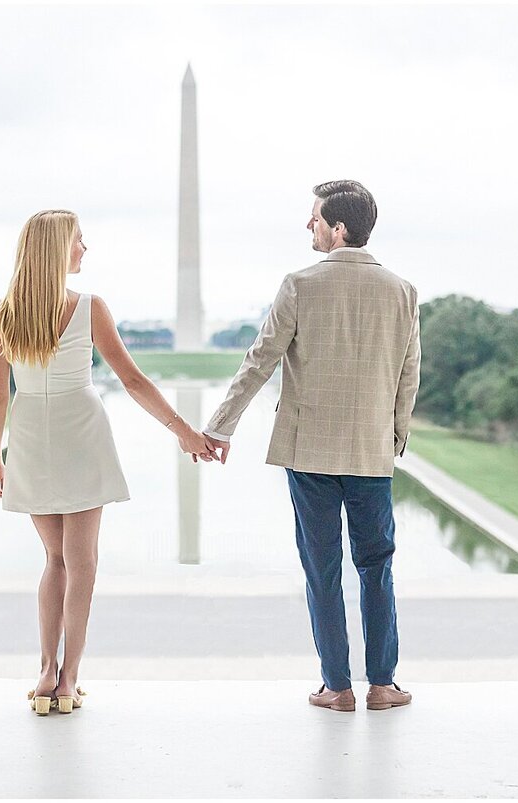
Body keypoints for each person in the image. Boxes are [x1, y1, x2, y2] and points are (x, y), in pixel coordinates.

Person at [0, 209, 217, 716]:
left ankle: (45, 673)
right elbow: (132, 381)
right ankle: (69, 680)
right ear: (57, 249)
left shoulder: (1, 312)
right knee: (83, 563)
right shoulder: (89, 307)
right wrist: (184, 432)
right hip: (80, 431)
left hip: (29, 435)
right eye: (79, 241)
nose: (85, 249)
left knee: (55, 560)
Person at [202, 180, 421, 713]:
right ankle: (384, 685)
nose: (309, 226)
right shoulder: (402, 291)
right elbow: (407, 375)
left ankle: (337, 687)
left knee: (322, 567)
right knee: (377, 565)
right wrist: (393, 435)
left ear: (338, 228)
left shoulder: (299, 284)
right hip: (371, 452)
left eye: (315, 218)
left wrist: (220, 425)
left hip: (310, 453)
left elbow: (260, 359)